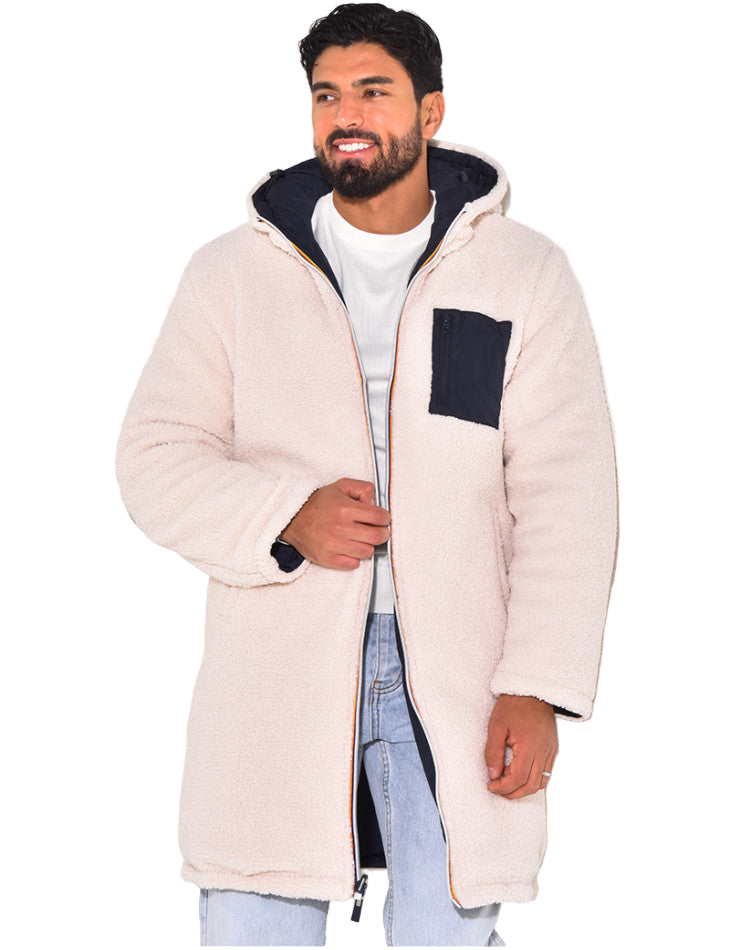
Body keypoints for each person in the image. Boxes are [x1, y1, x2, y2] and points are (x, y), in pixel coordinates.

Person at [116, 3, 618, 945]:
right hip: (277, 667)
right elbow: (154, 455)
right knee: (253, 923)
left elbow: (567, 495)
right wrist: (284, 515)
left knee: (446, 931)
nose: (345, 114)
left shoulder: (521, 273)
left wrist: (538, 683)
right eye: (326, 95)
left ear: (431, 111)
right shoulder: (231, 275)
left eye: (373, 92)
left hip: (464, 673)